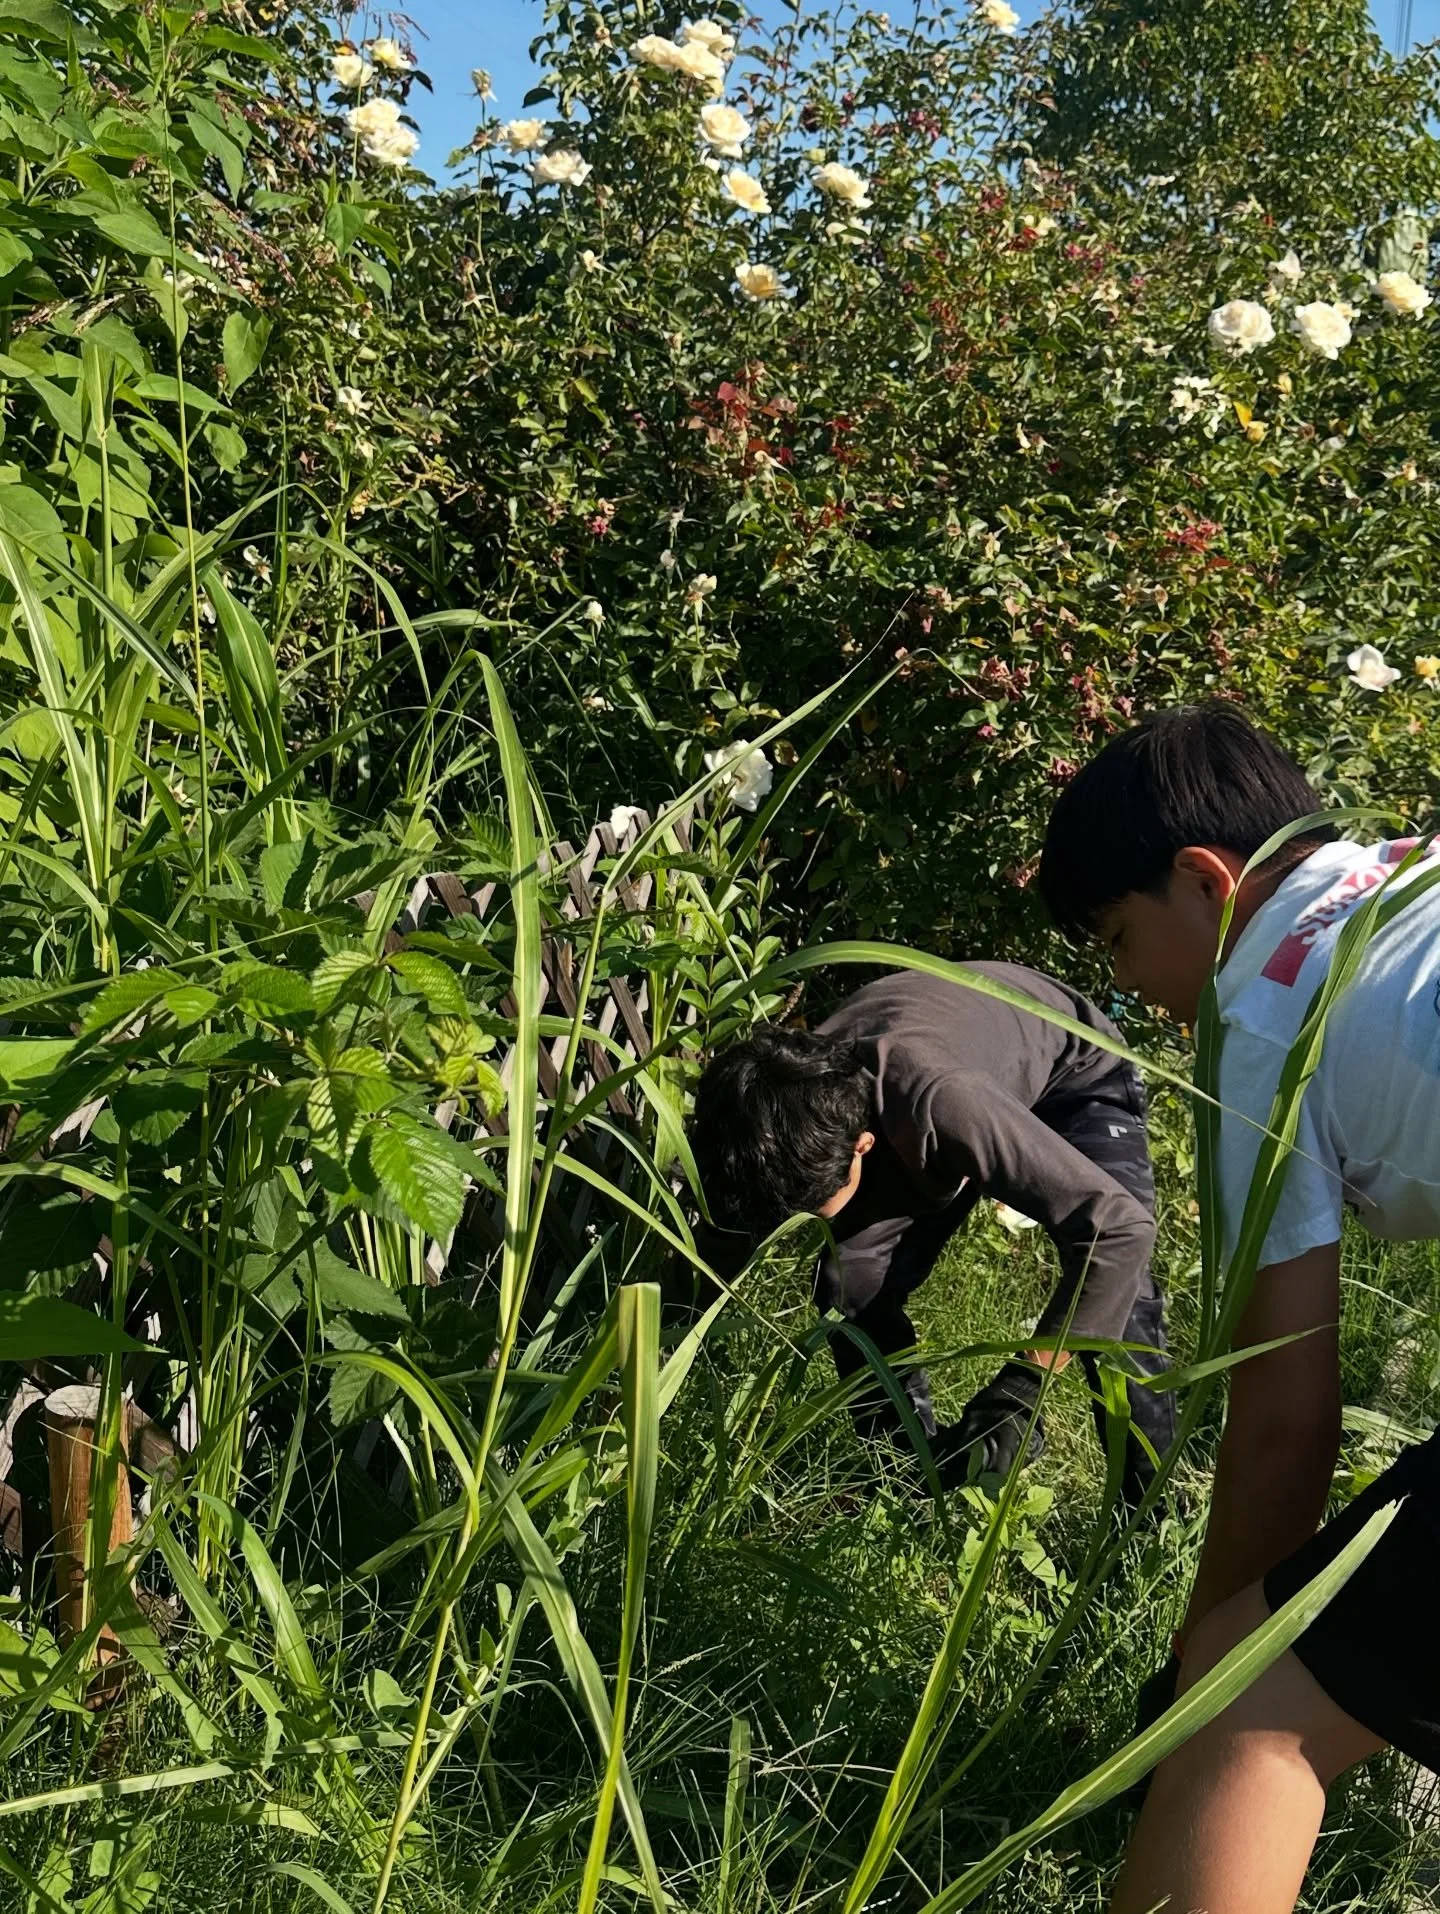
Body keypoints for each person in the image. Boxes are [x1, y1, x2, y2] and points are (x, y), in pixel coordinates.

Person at [1038, 701, 1440, 1914]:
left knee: (1249, 1715)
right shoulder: (1409, 885)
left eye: (1114, 939)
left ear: (1208, 882)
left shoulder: (1266, 1001)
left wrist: (1203, 1666)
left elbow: (1281, 1418)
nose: (1124, 984)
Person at [690, 965, 1177, 1497]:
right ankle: (913, 1481)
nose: (813, 1224)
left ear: (863, 1146)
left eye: (820, 1205)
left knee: (1115, 1293)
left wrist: (1024, 1388)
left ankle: (1147, 1512)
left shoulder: (937, 1100)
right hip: (942, 1074)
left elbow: (1118, 1230)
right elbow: (715, 1253)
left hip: (1073, 1067)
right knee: (849, 1284)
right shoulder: (756, 1116)